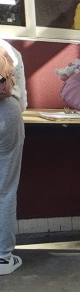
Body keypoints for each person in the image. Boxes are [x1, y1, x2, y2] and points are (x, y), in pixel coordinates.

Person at [0, 38, 26, 276]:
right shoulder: (8, 48)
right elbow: (23, 99)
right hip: (6, 114)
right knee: (5, 188)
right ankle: (3, 257)